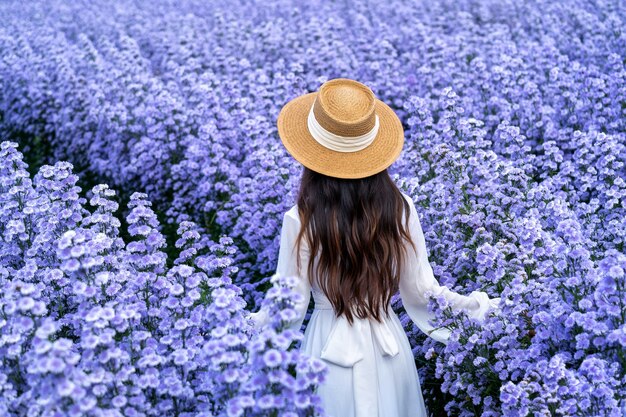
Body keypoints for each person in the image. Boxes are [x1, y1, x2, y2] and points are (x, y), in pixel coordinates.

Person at [250, 78, 501, 417]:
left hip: (326, 354)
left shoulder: (300, 218)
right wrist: (488, 311)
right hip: (388, 350)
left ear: (313, 153)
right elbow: (424, 294)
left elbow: (286, 310)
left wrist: (234, 330)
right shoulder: (400, 209)